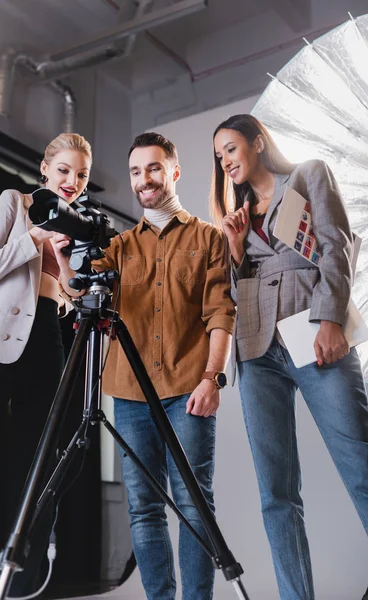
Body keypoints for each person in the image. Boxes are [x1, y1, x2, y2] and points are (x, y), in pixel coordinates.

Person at [210, 113, 368, 600]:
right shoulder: (234, 216)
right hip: (257, 351)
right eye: (218, 157)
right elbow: (237, 292)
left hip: (314, 335)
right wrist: (235, 250)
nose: (226, 162)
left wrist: (329, 319)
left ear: (258, 143)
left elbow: (336, 245)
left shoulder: (307, 174)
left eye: (231, 149)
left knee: (360, 464)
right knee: (275, 493)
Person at [93, 132, 235, 600]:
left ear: (174, 171)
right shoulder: (117, 248)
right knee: (143, 508)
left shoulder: (208, 238)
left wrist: (212, 378)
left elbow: (220, 313)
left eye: (153, 168)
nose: (143, 179)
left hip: (187, 390)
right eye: (135, 171)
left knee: (196, 508)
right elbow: (84, 298)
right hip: (130, 395)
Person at [0, 132, 92, 593]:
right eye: (64, 170)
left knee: (37, 463)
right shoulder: (13, 202)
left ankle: (20, 583)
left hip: (46, 338)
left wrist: (63, 259)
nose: (72, 181)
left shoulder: (77, 223)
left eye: (81, 175)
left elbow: (77, 297)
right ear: (45, 168)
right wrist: (34, 238)